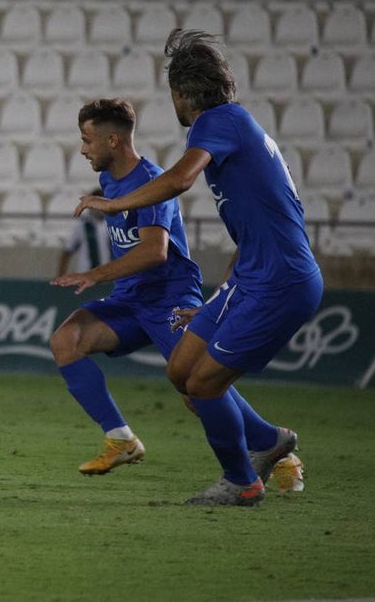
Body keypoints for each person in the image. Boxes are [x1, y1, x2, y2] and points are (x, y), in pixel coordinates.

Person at [76, 31, 323, 506]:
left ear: (181, 93)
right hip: (252, 277)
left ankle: (242, 482)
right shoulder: (236, 127)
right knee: (182, 370)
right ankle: (270, 441)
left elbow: (180, 179)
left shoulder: (219, 121)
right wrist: (222, 297)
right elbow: (257, 227)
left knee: (205, 383)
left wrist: (115, 204)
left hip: (281, 282)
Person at [50, 99, 294, 486]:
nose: (83, 149)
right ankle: (121, 439)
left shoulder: (150, 180)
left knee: (197, 389)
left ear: (112, 140)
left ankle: (275, 448)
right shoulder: (111, 180)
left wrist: (95, 274)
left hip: (170, 300)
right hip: (130, 300)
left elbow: (155, 252)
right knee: (67, 339)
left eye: (87, 140)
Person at [56, 188, 111, 277]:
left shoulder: (110, 225)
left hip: (106, 276)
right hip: (84, 276)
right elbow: (67, 251)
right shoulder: (82, 227)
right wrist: (60, 274)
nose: (98, 209)